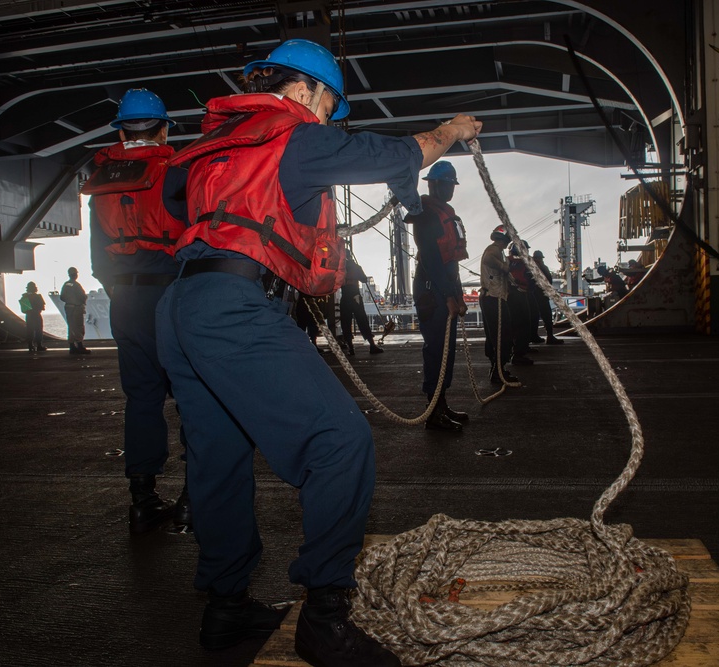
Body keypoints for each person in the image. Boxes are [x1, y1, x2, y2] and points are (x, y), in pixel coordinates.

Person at [155, 39, 481, 664]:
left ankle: (226, 612)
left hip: (181, 307)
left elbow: (180, 205)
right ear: (304, 90)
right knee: (339, 442)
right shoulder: (293, 135)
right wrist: (449, 130)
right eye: (329, 102)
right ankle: (325, 614)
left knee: (218, 464)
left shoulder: (212, 146)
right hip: (233, 306)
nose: (330, 115)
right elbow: (391, 153)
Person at [83, 88, 190, 535]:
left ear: (122, 129)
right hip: (173, 296)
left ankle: (143, 501)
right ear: (163, 127)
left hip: (125, 300)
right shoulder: (177, 171)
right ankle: (194, 498)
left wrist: (124, 286)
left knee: (142, 399)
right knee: (192, 396)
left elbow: (97, 259)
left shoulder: (101, 178)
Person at [409, 160, 468, 431]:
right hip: (432, 292)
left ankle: (441, 405)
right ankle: (433, 412)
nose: (448, 190)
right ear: (432, 184)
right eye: (444, 184)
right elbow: (432, 260)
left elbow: (450, 264)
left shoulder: (444, 214)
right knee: (436, 351)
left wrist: (458, 295)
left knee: (447, 351)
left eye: (451, 185)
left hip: (444, 287)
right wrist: (447, 295)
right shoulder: (426, 215)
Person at [479, 225, 518, 384]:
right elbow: (489, 259)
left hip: (492, 297)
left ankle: (497, 369)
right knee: (503, 335)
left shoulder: (497, 250)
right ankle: (498, 371)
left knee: (494, 335)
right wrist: (505, 267)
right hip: (494, 298)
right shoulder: (494, 250)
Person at [339, 257, 383, 355]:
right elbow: (363, 279)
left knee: (346, 322)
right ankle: (372, 345)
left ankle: (351, 348)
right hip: (356, 297)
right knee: (362, 320)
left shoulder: (340, 268)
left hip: (345, 297)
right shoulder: (356, 267)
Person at [507, 243, 534, 366]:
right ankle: (519, 353)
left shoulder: (507, 262)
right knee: (523, 324)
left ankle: (519, 349)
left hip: (511, 296)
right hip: (520, 294)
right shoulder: (524, 263)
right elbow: (531, 279)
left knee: (515, 325)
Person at [531, 250, 563, 345]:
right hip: (540, 295)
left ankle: (535, 336)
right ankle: (547, 336)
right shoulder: (539, 267)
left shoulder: (532, 266)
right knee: (545, 316)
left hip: (537, 295)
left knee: (536, 317)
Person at [59, 267, 90, 354]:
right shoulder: (76, 285)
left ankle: (72, 346)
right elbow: (82, 296)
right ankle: (80, 345)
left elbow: (62, 297)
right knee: (78, 326)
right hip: (77, 308)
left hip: (68, 307)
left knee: (71, 326)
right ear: (75, 274)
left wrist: (69, 300)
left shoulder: (66, 284)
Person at [20, 282, 47, 352]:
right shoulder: (38, 296)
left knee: (29, 331)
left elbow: (23, 310)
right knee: (38, 330)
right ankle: (39, 345)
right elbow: (42, 307)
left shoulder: (24, 297)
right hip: (37, 315)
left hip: (29, 316)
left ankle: (30, 346)